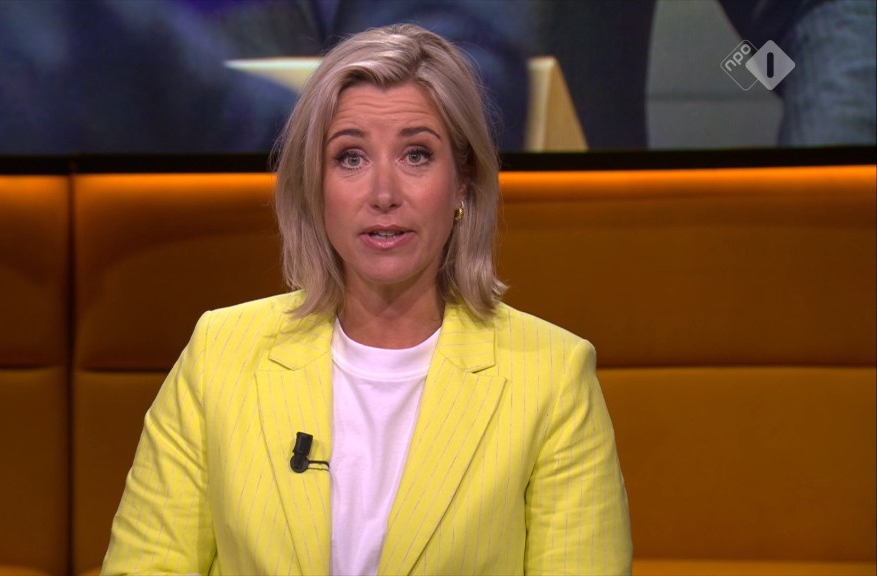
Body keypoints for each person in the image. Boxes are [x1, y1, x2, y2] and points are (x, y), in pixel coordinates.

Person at [102, 23, 631, 575]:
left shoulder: (552, 376)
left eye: (416, 155)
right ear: (315, 184)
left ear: (463, 183)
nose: (383, 194)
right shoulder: (220, 354)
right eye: (351, 157)